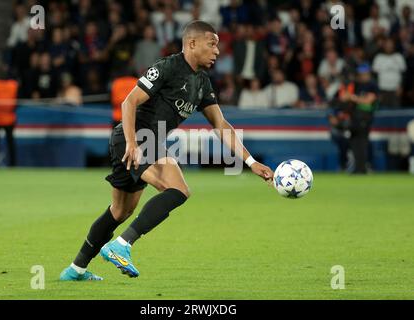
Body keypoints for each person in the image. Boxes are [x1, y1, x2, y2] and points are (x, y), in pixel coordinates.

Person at [59, 20, 274, 281]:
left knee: (120, 211)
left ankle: (75, 270)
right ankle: (121, 245)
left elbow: (221, 124)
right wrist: (131, 143)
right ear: (192, 43)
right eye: (212, 44)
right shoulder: (168, 67)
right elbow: (129, 102)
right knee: (178, 189)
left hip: (149, 142)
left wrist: (250, 162)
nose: (218, 51)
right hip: (137, 138)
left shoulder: (202, 82)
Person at [338, 63, 378, 174]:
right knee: (354, 142)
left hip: (365, 117)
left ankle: (363, 168)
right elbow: (344, 97)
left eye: (364, 74)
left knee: (362, 143)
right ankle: (357, 168)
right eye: (361, 74)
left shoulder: (372, 85)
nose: (363, 76)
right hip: (354, 117)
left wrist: (353, 97)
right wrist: (352, 97)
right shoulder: (355, 84)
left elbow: (368, 100)